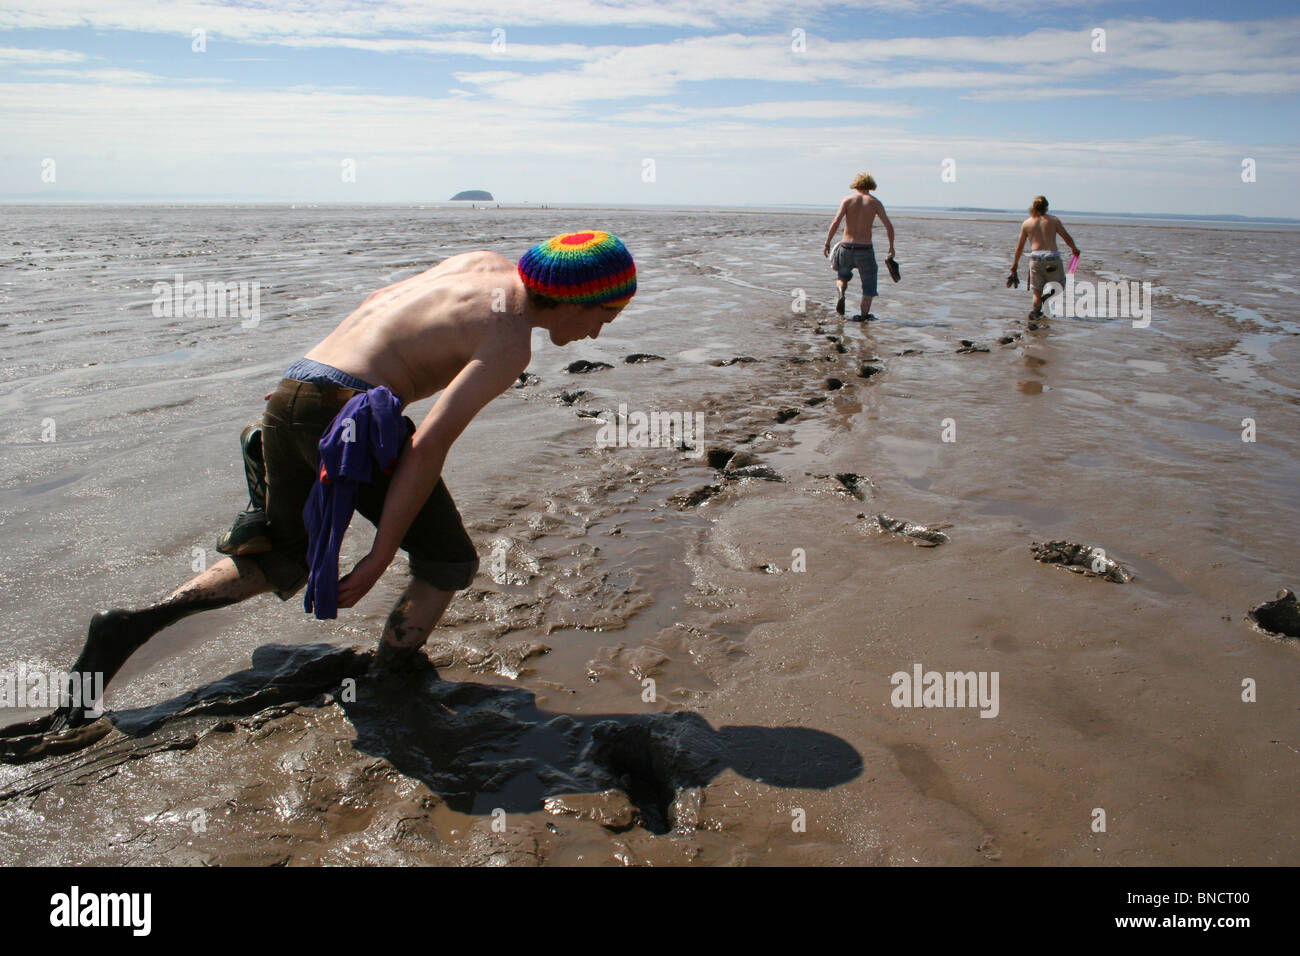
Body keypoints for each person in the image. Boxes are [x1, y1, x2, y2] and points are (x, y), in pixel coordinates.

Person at [49, 231, 636, 729]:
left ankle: (130, 623)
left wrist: (305, 392)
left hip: (295, 387)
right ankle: (389, 680)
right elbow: (427, 446)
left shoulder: (478, 263)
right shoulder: (509, 342)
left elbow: (379, 302)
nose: (599, 333)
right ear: (573, 299)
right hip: (346, 414)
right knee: (446, 561)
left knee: (286, 552)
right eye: (603, 315)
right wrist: (381, 554)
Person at [823, 172, 896, 320]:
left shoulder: (848, 200)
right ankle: (863, 317)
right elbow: (888, 226)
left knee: (842, 276)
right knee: (869, 286)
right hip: (865, 249)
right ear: (871, 185)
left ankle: (841, 293)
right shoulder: (874, 202)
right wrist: (891, 246)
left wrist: (827, 242)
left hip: (846, 247)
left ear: (856, 184)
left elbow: (836, 222)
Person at [1008, 196, 1079, 320]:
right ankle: (1047, 297)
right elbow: (1066, 236)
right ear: (1046, 207)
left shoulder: (1027, 223)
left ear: (1033, 207)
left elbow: (1019, 247)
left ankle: (1035, 312)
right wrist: (1074, 248)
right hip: (1052, 259)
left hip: (1036, 260)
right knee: (1060, 285)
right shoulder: (1053, 220)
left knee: (1036, 292)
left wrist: (1014, 265)